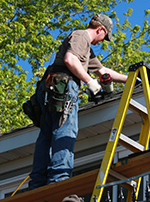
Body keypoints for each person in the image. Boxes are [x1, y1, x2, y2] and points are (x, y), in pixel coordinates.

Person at [28, 13, 127, 190]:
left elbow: (104, 71)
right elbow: (70, 59)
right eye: (105, 37)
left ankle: (37, 183)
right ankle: (59, 179)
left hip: (52, 88)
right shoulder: (81, 36)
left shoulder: (87, 50)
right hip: (63, 86)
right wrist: (90, 82)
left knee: (47, 134)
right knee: (66, 131)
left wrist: (131, 79)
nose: (102, 41)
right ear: (100, 29)